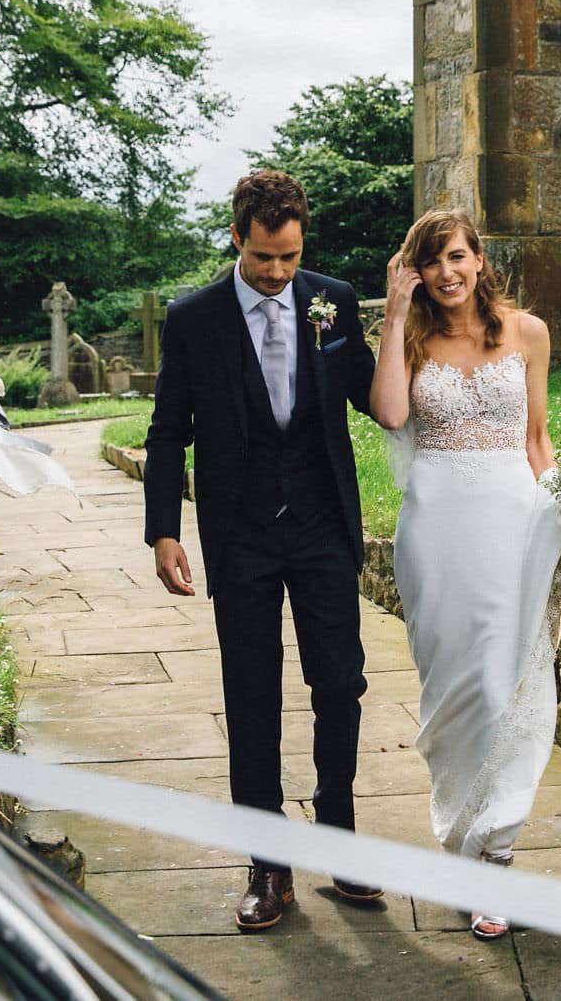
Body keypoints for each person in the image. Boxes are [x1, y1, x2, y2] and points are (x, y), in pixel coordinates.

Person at [143, 169, 381, 931]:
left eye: (289, 259)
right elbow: (165, 429)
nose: (278, 275)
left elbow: (374, 397)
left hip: (321, 526)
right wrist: (163, 529)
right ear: (239, 237)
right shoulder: (193, 318)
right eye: (264, 260)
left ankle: (341, 839)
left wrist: (411, 319)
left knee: (340, 682)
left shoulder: (332, 301)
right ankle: (268, 864)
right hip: (241, 531)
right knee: (252, 696)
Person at [369, 209, 561, 941]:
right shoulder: (412, 335)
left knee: (510, 685)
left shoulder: (529, 332)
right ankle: (461, 836)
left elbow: (538, 440)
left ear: (480, 258)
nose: (446, 273)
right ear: (415, 271)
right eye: (431, 262)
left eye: (457, 256)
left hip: (515, 523)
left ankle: (495, 854)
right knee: (453, 689)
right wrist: (394, 316)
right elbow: (391, 413)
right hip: (438, 529)